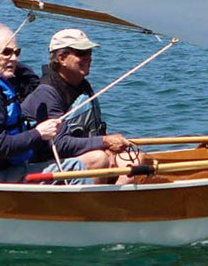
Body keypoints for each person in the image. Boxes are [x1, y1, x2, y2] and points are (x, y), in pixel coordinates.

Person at [0, 19, 82, 183]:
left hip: (4, 169)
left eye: (16, 52)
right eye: (6, 52)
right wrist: (38, 133)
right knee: (76, 168)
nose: (13, 58)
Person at [21, 28, 140, 183]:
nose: (88, 58)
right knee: (99, 159)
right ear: (62, 58)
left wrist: (106, 146)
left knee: (136, 159)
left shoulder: (82, 85)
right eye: (81, 53)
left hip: (77, 153)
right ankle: (92, 197)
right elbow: (60, 144)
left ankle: (111, 197)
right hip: (47, 162)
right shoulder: (47, 92)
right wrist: (104, 142)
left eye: (89, 52)